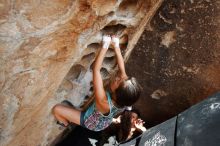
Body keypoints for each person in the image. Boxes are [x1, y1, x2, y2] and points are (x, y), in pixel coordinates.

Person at [52, 35, 142, 131]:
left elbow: (96, 70)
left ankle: (65, 123)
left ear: (117, 93)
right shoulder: (126, 98)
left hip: (92, 123)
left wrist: (105, 46)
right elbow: (122, 69)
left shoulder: (104, 102)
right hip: (105, 119)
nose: (118, 78)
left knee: (56, 109)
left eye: (118, 81)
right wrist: (116, 46)